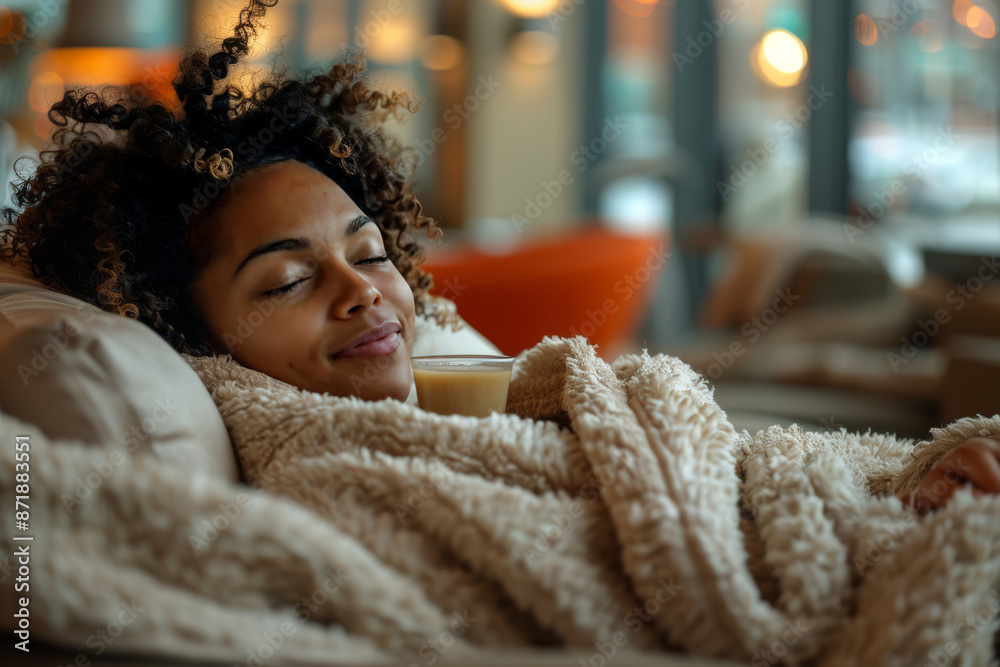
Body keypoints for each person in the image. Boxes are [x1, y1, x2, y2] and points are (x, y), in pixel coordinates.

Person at [0, 1, 997, 513]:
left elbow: (725, 464)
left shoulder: (465, 384)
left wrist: (902, 476)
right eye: (289, 279)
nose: (362, 293)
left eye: (370, 252)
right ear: (190, 327)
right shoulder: (329, 457)